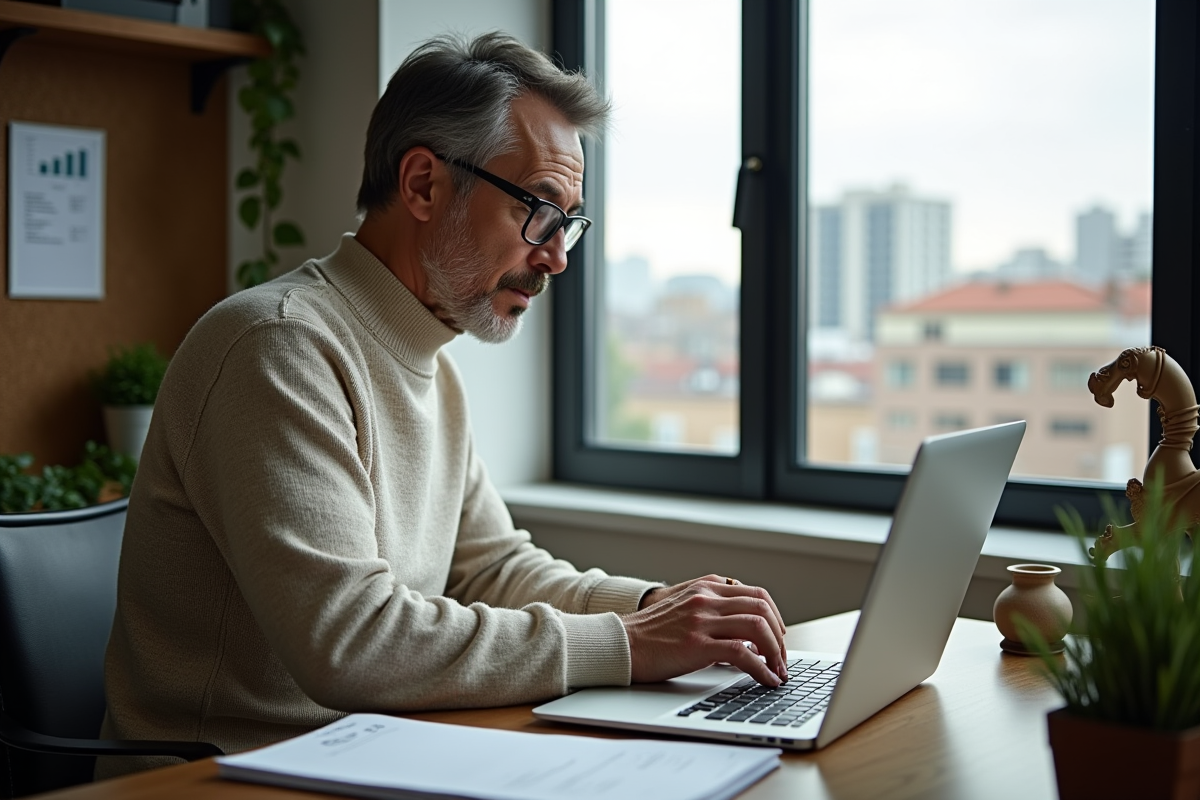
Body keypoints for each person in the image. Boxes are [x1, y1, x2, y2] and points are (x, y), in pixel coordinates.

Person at [98, 32, 788, 778]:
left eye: (570, 224)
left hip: (368, 757)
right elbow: (351, 642)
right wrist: (633, 643)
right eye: (539, 210)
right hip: (218, 779)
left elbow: (492, 570)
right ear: (424, 185)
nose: (556, 255)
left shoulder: (428, 361)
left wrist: (660, 605)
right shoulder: (278, 348)